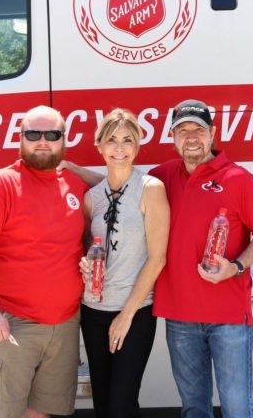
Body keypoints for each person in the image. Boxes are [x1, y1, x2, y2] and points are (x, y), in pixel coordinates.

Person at [68, 99, 253, 418]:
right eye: (183, 130)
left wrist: (235, 267)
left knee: (236, 408)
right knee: (194, 408)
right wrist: (72, 169)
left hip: (228, 315)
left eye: (199, 130)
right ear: (173, 137)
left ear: (213, 134)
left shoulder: (237, 178)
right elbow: (119, 185)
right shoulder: (164, 175)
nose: (191, 137)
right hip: (180, 317)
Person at [0, 105, 88, 418]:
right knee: (2, 414)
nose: (43, 141)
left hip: (65, 324)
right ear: (20, 138)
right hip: (14, 323)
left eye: (52, 134)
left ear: (64, 139)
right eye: (33, 134)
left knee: (41, 413)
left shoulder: (76, 185)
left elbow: (122, 188)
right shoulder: (1, 185)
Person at [79, 108, 170, 418]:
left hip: (135, 312)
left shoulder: (151, 188)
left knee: (122, 405)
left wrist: (126, 314)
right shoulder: (92, 197)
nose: (119, 148)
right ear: (99, 146)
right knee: (103, 404)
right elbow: (88, 249)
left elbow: (157, 258)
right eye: (112, 140)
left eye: (127, 140)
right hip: (92, 311)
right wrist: (84, 263)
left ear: (137, 145)